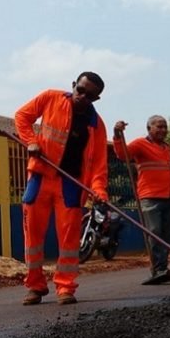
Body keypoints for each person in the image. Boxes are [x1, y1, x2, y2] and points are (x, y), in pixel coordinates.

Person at [15, 72, 109, 305]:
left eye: (90, 95)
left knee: (68, 240)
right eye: (80, 90)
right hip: (41, 177)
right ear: (73, 85)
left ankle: (65, 286)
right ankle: (35, 285)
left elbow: (99, 165)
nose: (83, 96)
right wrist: (31, 141)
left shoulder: (96, 125)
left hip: (71, 184)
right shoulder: (50, 98)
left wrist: (100, 190)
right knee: (33, 236)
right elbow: (22, 117)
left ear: (96, 99)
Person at [113, 115, 170, 285]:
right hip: (150, 197)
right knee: (154, 233)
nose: (163, 130)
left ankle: (163, 268)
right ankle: (158, 269)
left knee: (167, 236)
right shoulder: (140, 144)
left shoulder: (166, 148)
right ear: (149, 128)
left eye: (165, 127)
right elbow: (122, 155)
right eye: (159, 127)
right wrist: (117, 135)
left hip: (169, 196)